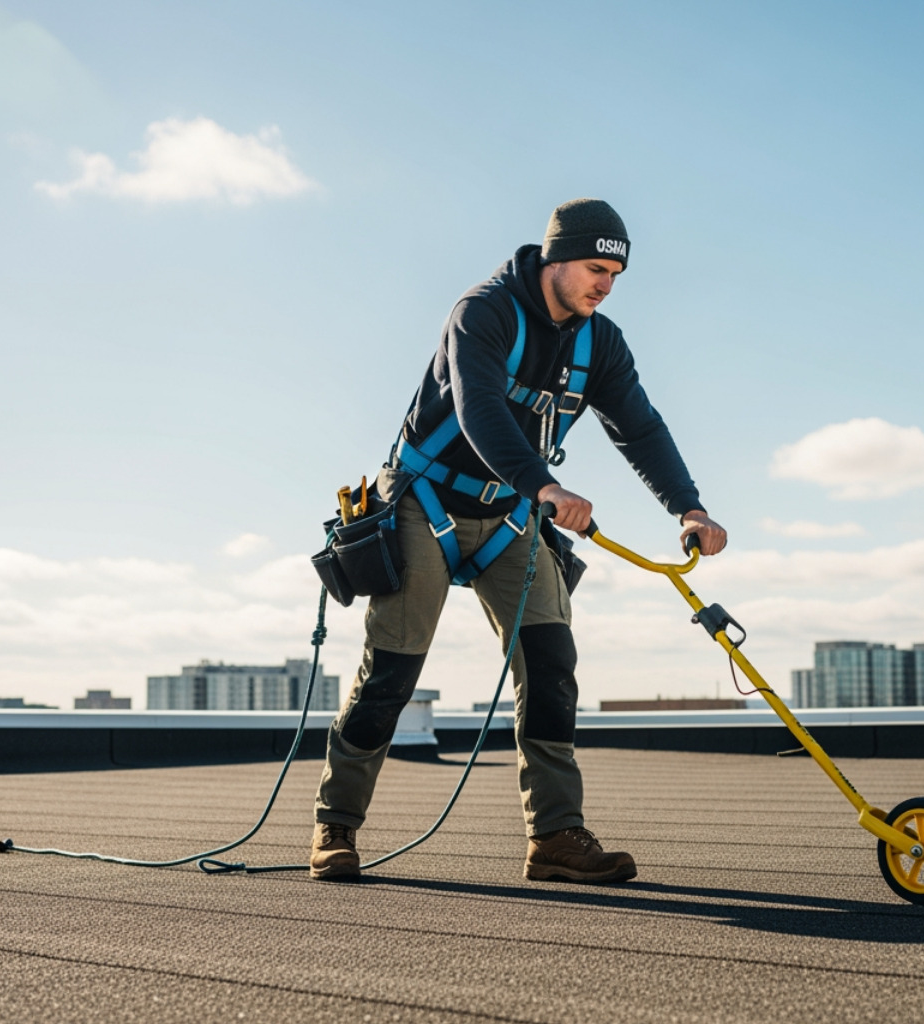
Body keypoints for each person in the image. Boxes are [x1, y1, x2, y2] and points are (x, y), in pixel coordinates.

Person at [311, 198, 727, 883]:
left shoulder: (600, 343)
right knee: (391, 672)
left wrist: (690, 507)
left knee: (551, 665)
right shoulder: (483, 312)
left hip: (509, 515)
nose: (606, 285)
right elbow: (478, 409)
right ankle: (336, 825)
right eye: (595, 269)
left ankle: (556, 836)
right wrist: (546, 486)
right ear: (555, 260)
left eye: (616, 275)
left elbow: (641, 428)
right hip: (426, 501)